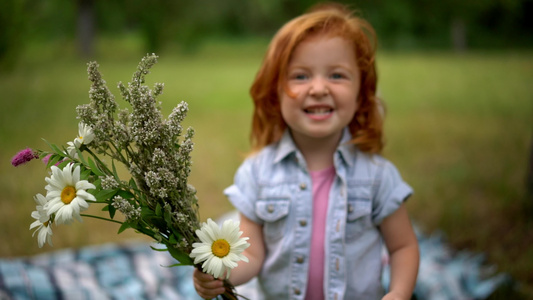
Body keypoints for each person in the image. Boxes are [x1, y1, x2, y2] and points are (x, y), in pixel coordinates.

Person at [193, 3, 419, 299]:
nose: (318, 88)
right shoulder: (258, 173)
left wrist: (399, 293)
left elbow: (403, 246)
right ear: (275, 92)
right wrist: (221, 274)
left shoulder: (377, 176)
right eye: (300, 76)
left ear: (361, 93)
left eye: (337, 75)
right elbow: (253, 254)